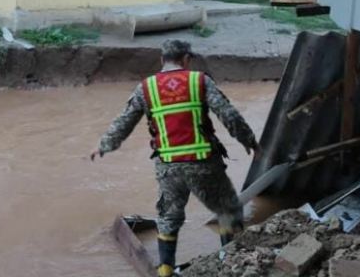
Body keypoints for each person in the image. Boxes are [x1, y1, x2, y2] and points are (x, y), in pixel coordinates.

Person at [90, 39, 260, 277]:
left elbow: (124, 121)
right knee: (227, 209)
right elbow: (229, 115)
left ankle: (166, 269)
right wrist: (249, 141)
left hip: (168, 166)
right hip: (203, 163)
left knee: (168, 218)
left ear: (162, 60)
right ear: (186, 59)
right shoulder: (199, 81)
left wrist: (104, 145)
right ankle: (229, 260)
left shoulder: (146, 88)